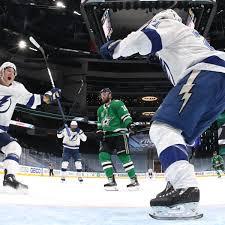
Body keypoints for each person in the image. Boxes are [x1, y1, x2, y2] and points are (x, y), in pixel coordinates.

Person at [100, 9, 225, 219]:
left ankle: (185, 188)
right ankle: (174, 183)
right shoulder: (188, 39)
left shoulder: (167, 23)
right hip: (217, 81)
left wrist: (116, 48)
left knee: (162, 128)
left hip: (206, 71)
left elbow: (145, 39)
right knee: (179, 138)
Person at [0, 61, 61, 190]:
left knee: (14, 147)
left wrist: (50, 96)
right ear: (1, 72)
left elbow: (33, 100)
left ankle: (9, 177)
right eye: (8, 70)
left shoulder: (17, 88)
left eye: (13, 72)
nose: (11, 73)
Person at [96, 88, 139, 191]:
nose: (103, 96)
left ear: (110, 95)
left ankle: (134, 181)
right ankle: (111, 181)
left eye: (105, 94)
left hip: (119, 134)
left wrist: (129, 124)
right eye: (102, 94)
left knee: (124, 157)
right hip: (107, 137)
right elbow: (99, 125)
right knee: (103, 155)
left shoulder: (117, 104)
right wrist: (99, 132)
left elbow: (125, 116)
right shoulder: (100, 110)